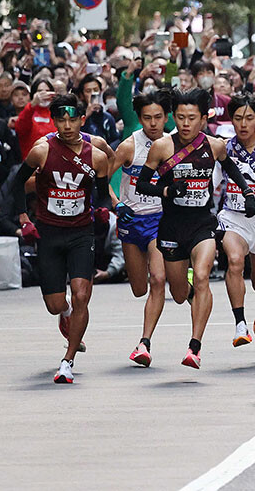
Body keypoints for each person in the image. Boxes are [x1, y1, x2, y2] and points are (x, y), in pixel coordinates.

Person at [134, 88, 251, 370]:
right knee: (178, 293)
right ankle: (188, 288)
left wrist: (247, 192)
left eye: (192, 118)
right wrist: (167, 190)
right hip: (172, 227)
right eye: (181, 118)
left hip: (203, 224)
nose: (186, 124)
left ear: (202, 119)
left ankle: (193, 347)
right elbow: (142, 184)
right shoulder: (162, 147)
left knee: (202, 277)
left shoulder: (215, 145)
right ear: (174, 117)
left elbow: (232, 169)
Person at [7, 93, 113, 383]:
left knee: (81, 294)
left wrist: (103, 209)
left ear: (82, 119)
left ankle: (68, 360)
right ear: (54, 121)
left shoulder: (98, 157)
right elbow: (17, 183)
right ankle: (64, 313)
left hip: (81, 233)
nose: (67, 126)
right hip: (50, 232)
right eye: (60, 120)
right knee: (56, 303)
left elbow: (102, 191)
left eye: (72, 119)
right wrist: (24, 218)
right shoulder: (42, 150)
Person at [109, 88, 169, 367]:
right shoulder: (128, 146)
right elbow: (103, 177)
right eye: (147, 118)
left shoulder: (172, 144)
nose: (153, 123)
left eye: (158, 117)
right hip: (131, 221)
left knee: (158, 279)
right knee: (138, 288)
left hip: (160, 219)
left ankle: (144, 343)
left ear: (166, 117)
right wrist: (116, 203)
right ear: (140, 118)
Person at [218, 94, 255, 348]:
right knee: (234, 262)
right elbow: (212, 182)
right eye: (238, 118)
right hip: (233, 218)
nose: (243, 124)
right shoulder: (223, 148)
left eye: (249, 118)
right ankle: (240, 324)